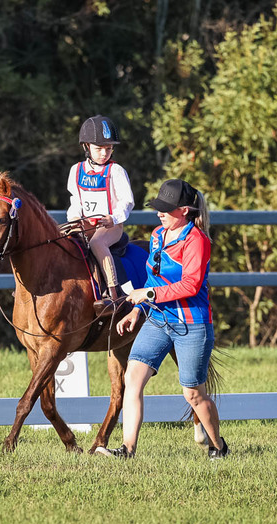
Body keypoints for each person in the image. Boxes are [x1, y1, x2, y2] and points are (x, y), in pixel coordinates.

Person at [96, 178, 229, 460]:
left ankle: (218, 446)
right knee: (133, 378)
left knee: (193, 394)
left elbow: (190, 285)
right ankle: (127, 450)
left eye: (165, 209)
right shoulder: (157, 235)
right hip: (158, 320)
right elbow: (152, 278)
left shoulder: (197, 241)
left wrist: (149, 294)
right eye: (158, 208)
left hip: (191, 325)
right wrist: (136, 310)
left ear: (184, 210)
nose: (159, 213)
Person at [67, 115, 135, 317]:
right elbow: (76, 201)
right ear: (86, 147)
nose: (104, 153)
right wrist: (73, 220)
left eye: (108, 148)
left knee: (97, 243)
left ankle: (113, 294)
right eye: (99, 148)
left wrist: (113, 218)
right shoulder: (76, 170)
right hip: (85, 223)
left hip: (110, 226)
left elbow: (127, 201)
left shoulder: (116, 171)